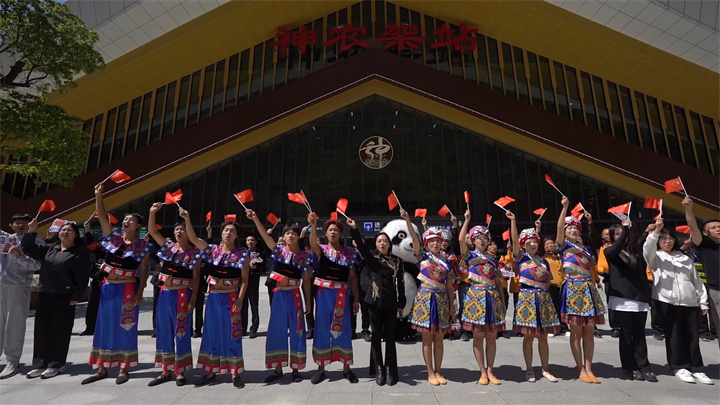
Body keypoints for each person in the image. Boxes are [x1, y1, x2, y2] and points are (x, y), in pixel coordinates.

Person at [83, 183, 151, 385]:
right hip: (108, 288)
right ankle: (102, 367)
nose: (127, 221)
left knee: (126, 325)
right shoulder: (112, 238)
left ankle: (124, 367)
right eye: (126, 219)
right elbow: (102, 216)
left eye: (132, 220)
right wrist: (99, 195)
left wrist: (140, 292)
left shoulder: (142, 246)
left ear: (138, 225)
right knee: (103, 325)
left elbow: (145, 270)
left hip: (128, 288)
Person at [181, 210, 249, 388]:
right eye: (226, 230)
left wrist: (240, 299)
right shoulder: (212, 251)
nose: (228, 233)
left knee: (232, 333)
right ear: (222, 233)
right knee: (211, 333)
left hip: (232, 296)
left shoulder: (243, 254)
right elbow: (194, 239)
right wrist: (188, 218)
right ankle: (210, 372)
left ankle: (235, 372)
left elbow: (245, 279)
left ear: (237, 235)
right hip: (213, 297)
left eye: (232, 231)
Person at [644, 217, 713, 385]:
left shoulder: (684, 258)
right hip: (668, 301)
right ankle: (679, 366)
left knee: (692, 337)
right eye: (664, 239)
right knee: (674, 335)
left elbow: (696, 281)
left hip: (690, 302)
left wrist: (703, 301)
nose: (667, 242)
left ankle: (697, 367)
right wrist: (656, 231)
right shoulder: (656, 257)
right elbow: (647, 248)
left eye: (670, 239)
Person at [248, 210, 312, 384]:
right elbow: (264, 236)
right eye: (287, 233)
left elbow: (306, 281)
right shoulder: (279, 251)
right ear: (283, 236)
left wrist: (308, 302)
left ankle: (296, 369)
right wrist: (255, 219)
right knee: (277, 330)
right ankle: (277, 368)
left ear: (299, 237)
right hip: (279, 296)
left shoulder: (304, 257)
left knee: (298, 330)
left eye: (293, 233)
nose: (290, 235)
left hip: (295, 295)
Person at [22, 219, 90, 379]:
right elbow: (28, 248)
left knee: (60, 332)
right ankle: (40, 364)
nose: (65, 232)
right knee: (42, 331)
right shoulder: (49, 249)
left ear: (75, 235)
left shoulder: (79, 252)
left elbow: (82, 276)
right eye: (62, 230)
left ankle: (56, 364)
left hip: (64, 296)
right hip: (45, 294)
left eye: (69, 230)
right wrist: (31, 231)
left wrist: (77, 296)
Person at [145, 204, 203, 386]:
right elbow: (153, 232)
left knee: (181, 331)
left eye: (183, 229)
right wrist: (152, 213)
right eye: (177, 229)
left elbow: (196, 278)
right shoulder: (169, 247)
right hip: (165, 293)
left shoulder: (195, 252)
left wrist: (194, 298)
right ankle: (165, 370)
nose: (179, 231)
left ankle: (181, 371)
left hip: (183, 295)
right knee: (163, 331)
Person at [347, 217, 405, 386]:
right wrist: (355, 229)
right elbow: (362, 248)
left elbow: (400, 283)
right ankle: (379, 368)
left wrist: (401, 302)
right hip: (375, 303)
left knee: (390, 337)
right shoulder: (373, 259)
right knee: (376, 336)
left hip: (391, 303)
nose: (382, 244)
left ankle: (391, 370)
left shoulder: (397, 261)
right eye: (379, 241)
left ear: (389, 244)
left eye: (384, 241)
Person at [402, 208, 455, 386]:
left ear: (442, 244)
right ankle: (430, 372)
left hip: (441, 300)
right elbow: (414, 238)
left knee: (439, 337)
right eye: (431, 241)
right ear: (426, 243)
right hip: (425, 299)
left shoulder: (446, 261)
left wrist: (452, 305)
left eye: (437, 241)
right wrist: (408, 220)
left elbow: (449, 285)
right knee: (427, 338)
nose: (435, 244)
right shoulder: (422, 256)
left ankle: (439, 370)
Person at [556, 196, 605, 384]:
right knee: (576, 332)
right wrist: (565, 208)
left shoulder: (586, 249)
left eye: (576, 227)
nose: (573, 230)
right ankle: (580, 368)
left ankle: (589, 367)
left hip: (588, 289)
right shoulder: (563, 246)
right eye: (570, 228)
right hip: (573, 289)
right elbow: (559, 228)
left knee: (589, 332)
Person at [307, 216, 361, 384]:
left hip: (342, 296)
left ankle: (346, 368)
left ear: (340, 233)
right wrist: (313, 226)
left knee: (343, 329)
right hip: (323, 294)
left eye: (336, 230)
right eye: (330, 230)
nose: (333, 232)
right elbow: (313, 244)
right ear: (326, 232)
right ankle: (321, 368)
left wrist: (356, 299)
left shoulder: (349, 253)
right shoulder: (321, 250)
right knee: (322, 329)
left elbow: (352, 278)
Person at [506, 211, 560, 383]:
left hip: (543, 299)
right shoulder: (520, 258)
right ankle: (529, 369)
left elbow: (548, 280)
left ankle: (545, 369)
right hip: (527, 298)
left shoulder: (543, 261)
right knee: (528, 336)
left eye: (535, 242)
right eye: (529, 242)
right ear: (523, 245)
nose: (533, 244)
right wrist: (513, 221)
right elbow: (514, 241)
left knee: (543, 336)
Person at [604, 219, 656, 382]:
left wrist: (650, 232)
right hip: (622, 299)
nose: (622, 236)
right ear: (612, 237)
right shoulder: (610, 251)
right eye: (617, 234)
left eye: (623, 233)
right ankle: (630, 367)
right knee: (626, 335)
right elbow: (616, 248)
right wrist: (625, 229)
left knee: (639, 334)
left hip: (639, 298)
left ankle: (644, 366)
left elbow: (643, 244)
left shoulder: (636, 252)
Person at [457, 211, 506, 385]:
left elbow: (498, 281)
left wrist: (502, 300)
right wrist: (467, 220)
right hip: (475, 297)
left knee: (491, 336)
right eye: (479, 238)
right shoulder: (469, 255)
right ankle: (482, 371)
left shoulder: (493, 259)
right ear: (473, 240)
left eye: (485, 238)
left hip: (492, 297)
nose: (483, 241)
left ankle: (491, 370)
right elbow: (461, 240)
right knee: (478, 336)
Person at [0, 214, 43, 379]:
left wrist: (19, 256)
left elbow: (38, 265)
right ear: (11, 224)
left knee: (14, 326)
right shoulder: (4, 239)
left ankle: (12, 361)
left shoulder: (35, 242)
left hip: (18, 287)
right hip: (0, 285)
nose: (21, 225)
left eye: (25, 222)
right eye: (17, 222)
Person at [683, 196, 720, 352]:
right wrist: (688, 209)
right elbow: (692, 226)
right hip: (716, 291)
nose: (718, 229)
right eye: (713, 228)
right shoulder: (704, 245)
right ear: (705, 233)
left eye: (719, 226)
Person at [542, 237, 566, 337]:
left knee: (562, 306)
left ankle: (563, 327)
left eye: (551, 243)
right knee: (552, 307)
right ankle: (552, 328)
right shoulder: (544, 257)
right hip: (551, 284)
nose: (550, 245)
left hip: (562, 283)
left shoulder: (560, 255)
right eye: (547, 244)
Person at [242, 235, 263, 339]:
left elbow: (263, 265)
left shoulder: (259, 253)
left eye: (252, 240)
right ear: (246, 242)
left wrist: (256, 267)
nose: (250, 241)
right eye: (248, 240)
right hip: (243, 282)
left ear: (255, 242)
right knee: (243, 305)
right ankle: (242, 328)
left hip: (254, 280)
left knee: (254, 305)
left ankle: (254, 329)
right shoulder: (242, 252)